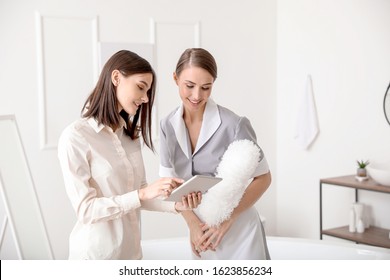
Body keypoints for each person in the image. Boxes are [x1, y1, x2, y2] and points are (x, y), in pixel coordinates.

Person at [57, 50, 201, 260]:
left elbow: (140, 194)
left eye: (148, 91)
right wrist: (141, 194)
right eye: (141, 87)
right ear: (116, 78)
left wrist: (176, 205)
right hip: (95, 258)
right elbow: (86, 210)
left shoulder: (130, 137)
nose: (144, 98)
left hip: (132, 255)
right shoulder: (76, 136)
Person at [159, 48, 271, 259]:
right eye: (189, 86)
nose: (196, 96)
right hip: (200, 232)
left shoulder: (234, 125)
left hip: (239, 230)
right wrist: (192, 224)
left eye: (206, 87)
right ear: (175, 78)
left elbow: (264, 178)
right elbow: (169, 185)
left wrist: (229, 219)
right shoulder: (167, 126)